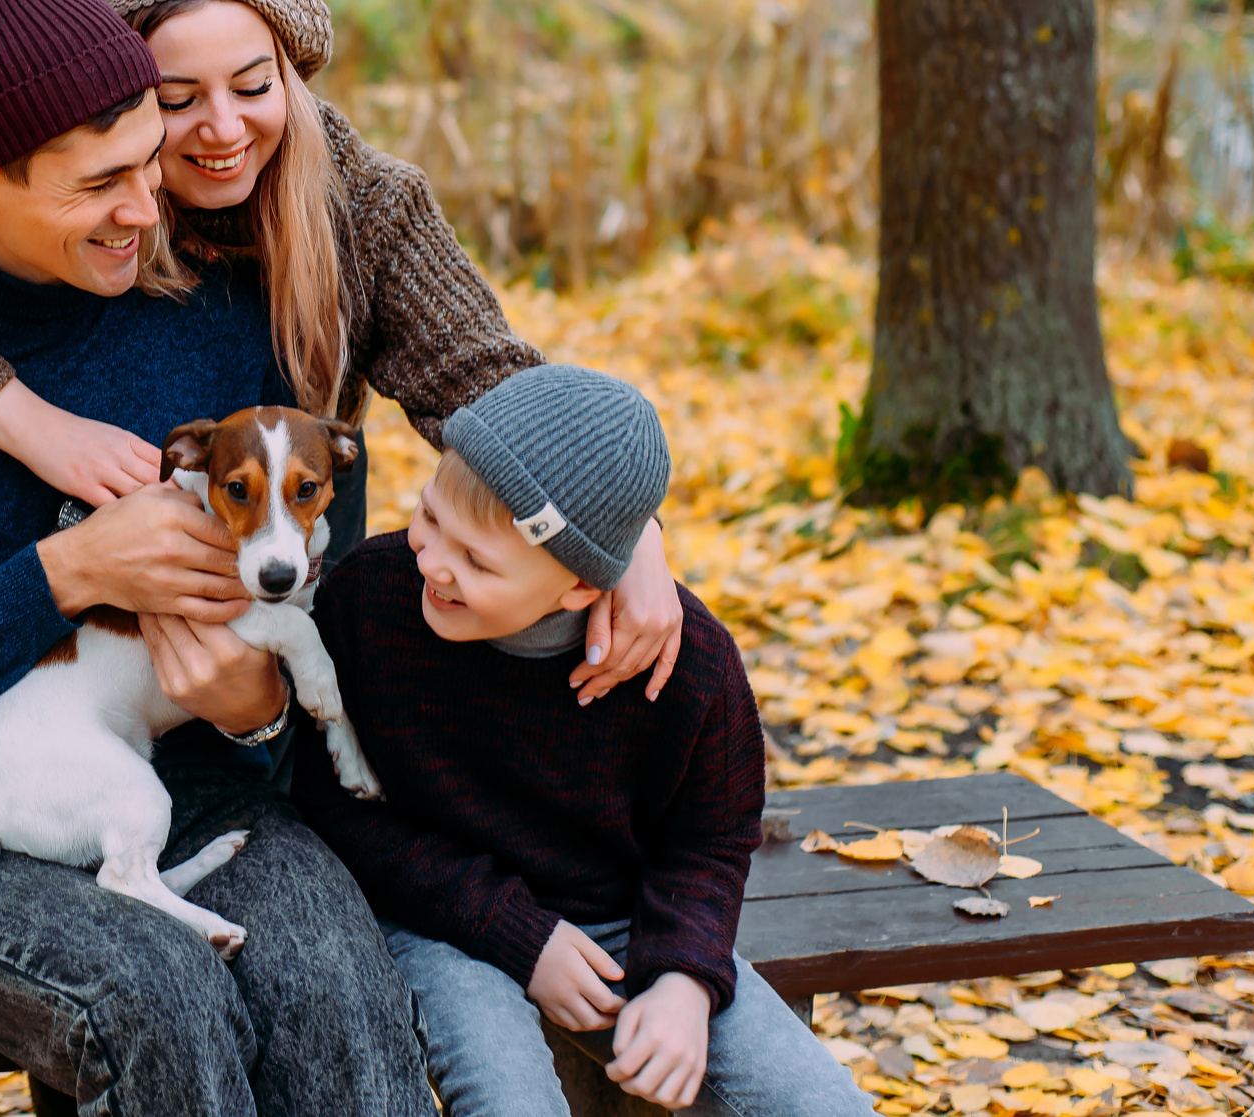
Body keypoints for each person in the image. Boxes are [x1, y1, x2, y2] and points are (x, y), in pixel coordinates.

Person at [0, 0, 437, 1116]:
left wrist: (251, 707)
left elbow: (303, 617)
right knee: (160, 1000)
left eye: (146, 162)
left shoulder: (228, 311)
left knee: (343, 1000)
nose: (146, 208)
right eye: (97, 186)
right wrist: (60, 573)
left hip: (213, 795)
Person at [0, 0, 681, 704]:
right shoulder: (60, 171)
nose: (223, 130)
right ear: (112, 92)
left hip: (284, 680)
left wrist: (627, 535)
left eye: (254, 84)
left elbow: (489, 385)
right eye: (174, 99)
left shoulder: (358, 205)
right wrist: (29, 425)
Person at [293, 365, 876, 1116]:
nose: (431, 560)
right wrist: (514, 931)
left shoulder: (690, 665)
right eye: (429, 515)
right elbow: (334, 806)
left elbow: (712, 839)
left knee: (826, 1105)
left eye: (476, 560)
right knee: (510, 1101)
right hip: (443, 913)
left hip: (623, 918)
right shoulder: (370, 600)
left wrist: (684, 979)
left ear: (577, 586)